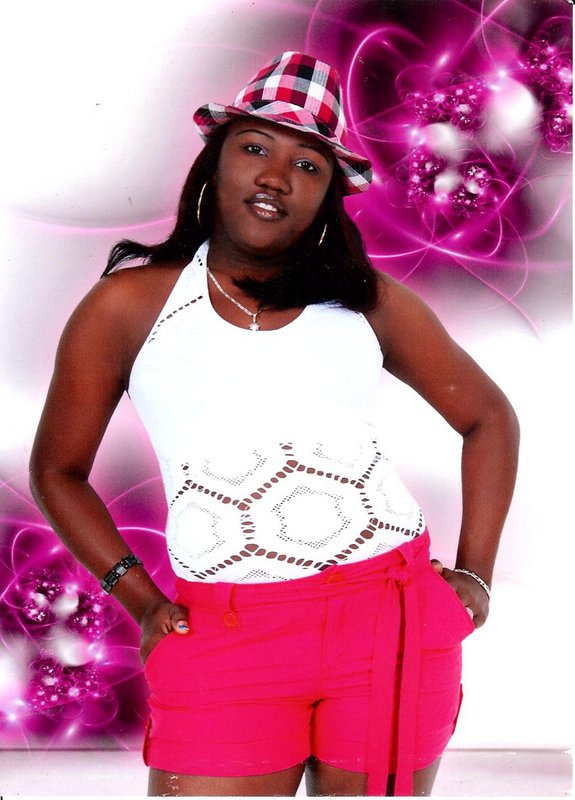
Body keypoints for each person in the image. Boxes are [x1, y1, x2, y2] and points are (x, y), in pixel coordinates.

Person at [29, 51, 519, 797]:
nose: (276, 177)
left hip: (390, 620)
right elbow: (57, 472)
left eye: (307, 165)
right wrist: (142, 601)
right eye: (254, 148)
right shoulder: (127, 307)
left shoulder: (366, 303)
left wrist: (476, 576)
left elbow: (488, 417)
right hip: (223, 634)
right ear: (214, 164)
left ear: (327, 197)